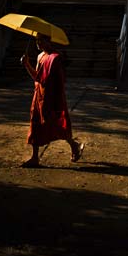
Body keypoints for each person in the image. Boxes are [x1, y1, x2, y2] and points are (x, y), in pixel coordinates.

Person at [20, 33, 84, 168]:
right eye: (37, 40)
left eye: (41, 40)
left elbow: (54, 80)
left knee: (56, 125)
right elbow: (37, 78)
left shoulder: (55, 58)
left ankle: (74, 145)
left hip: (50, 97)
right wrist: (27, 65)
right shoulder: (40, 56)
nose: (38, 43)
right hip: (38, 95)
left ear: (48, 40)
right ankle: (35, 157)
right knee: (35, 123)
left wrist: (27, 65)